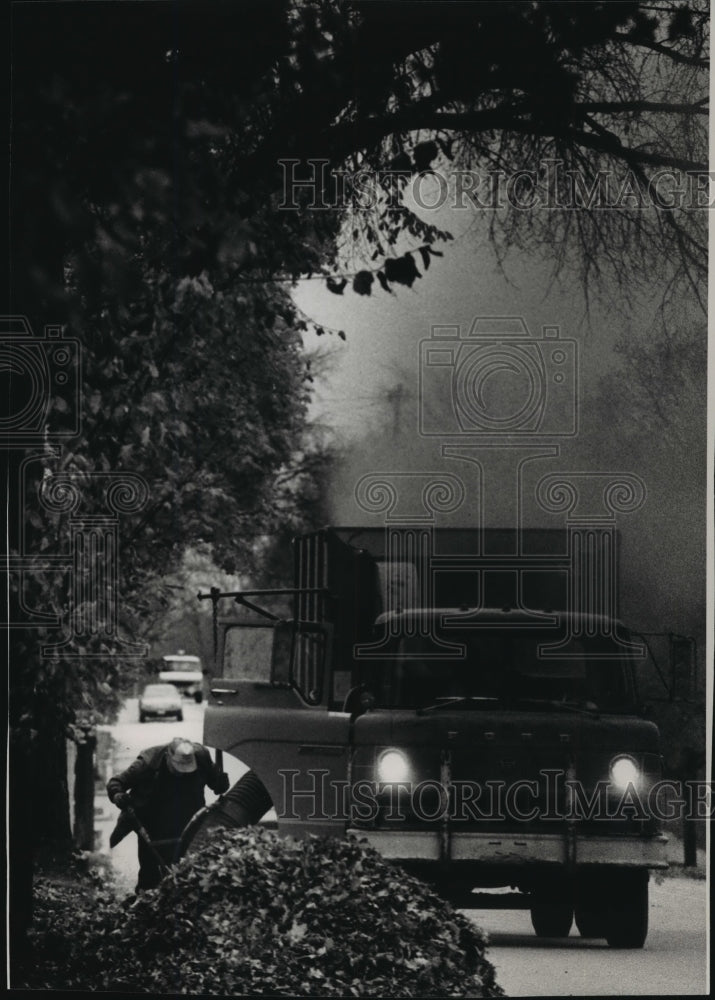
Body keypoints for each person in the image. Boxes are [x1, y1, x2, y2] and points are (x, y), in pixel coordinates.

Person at [107, 737, 230, 891]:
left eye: (186, 770)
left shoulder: (201, 757)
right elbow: (115, 782)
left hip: (187, 820)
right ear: (168, 757)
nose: (181, 774)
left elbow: (216, 783)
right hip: (152, 822)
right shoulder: (148, 762)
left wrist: (221, 782)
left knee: (191, 870)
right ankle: (146, 901)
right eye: (178, 768)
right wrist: (118, 795)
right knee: (150, 874)